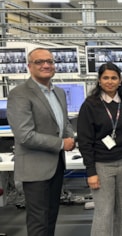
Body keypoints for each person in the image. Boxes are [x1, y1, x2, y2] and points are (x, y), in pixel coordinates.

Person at [6, 47, 76, 236]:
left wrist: (71, 137)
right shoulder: (20, 94)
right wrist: (61, 144)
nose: (46, 65)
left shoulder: (59, 92)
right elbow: (25, 135)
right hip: (35, 168)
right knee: (38, 222)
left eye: (50, 61)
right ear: (29, 66)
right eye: (39, 62)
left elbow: (64, 121)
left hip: (56, 166)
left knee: (51, 217)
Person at [77, 62, 122, 236]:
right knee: (104, 212)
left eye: (114, 78)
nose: (110, 81)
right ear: (99, 80)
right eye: (105, 78)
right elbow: (84, 141)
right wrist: (91, 172)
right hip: (101, 166)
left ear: (120, 81)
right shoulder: (90, 105)